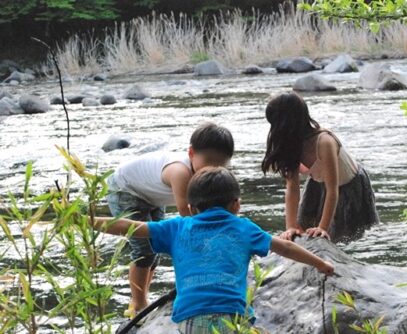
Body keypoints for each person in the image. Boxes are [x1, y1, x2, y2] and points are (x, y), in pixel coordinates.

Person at [94, 166, 334, 333]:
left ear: (191, 207)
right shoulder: (243, 227)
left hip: (188, 319)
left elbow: (132, 227)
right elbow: (286, 247)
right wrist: (321, 264)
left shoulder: (178, 226)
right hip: (232, 316)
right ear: (236, 204)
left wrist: (88, 221)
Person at [107, 122, 234, 317]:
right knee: (143, 250)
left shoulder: (214, 176)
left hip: (151, 194)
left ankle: (142, 296)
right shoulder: (180, 172)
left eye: (220, 164)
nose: (212, 168)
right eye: (208, 160)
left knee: (155, 247)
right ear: (191, 153)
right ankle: (138, 306)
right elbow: (188, 214)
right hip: (126, 189)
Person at [261, 92, 379, 242]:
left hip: (349, 186)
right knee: (304, 228)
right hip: (317, 184)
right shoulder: (291, 144)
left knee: (345, 236)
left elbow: (332, 189)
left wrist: (322, 228)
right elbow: (292, 187)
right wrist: (291, 226)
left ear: (286, 124)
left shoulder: (324, 142)